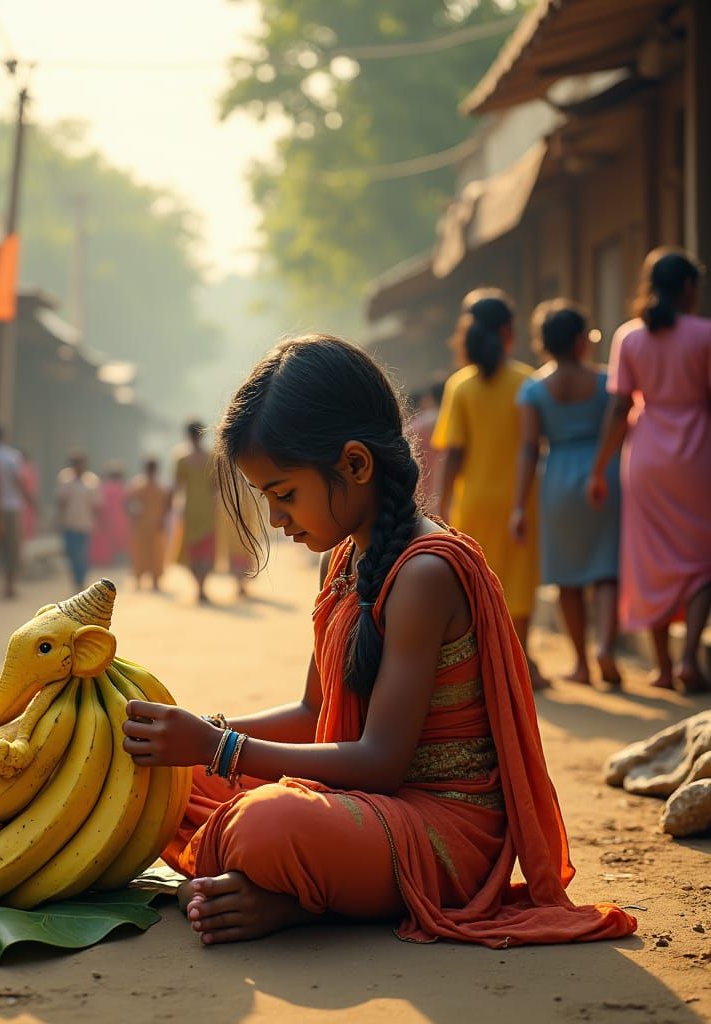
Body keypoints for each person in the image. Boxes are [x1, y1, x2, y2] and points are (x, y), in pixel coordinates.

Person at [120, 335, 636, 948]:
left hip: (442, 829)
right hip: (360, 805)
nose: (278, 519)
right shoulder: (339, 557)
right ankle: (278, 888)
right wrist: (197, 737)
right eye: (268, 500)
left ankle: (297, 903)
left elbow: (381, 762)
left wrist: (220, 747)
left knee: (266, 825)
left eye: (285, 494)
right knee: (166, 781)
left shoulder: (425, 573)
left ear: (357, 465)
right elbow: (314, 714)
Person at [589, 248, 711, 693]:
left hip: (644, 458)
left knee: (650, 559)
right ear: (687, 288)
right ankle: (689, 658)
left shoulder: (629, 336)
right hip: (698, 455)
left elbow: (619, 406)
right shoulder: (705, 334)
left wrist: (598, 469)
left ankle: (661, 666)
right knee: (701, 561)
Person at [433, 290, 546, 689]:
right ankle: (521, 660)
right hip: (518, 499)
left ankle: (488, 664)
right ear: (508, 331)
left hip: (473, 502)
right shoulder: (528, 382)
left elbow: (455, 455)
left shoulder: (459, 386)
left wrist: (442, 507)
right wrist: (518, 502)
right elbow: (533, 447)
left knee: (479, 584)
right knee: (518, 582)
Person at [512, 302, 622, 687]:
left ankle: (581, 664)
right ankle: (606, 646)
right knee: (607, 567)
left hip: (556, 475)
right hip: (604, 472)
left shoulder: (534, 389)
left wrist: (518, 506)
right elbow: (621, 423)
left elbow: (528, 447)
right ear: (580, 340)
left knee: (567, 576)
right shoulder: (606, 380)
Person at [0, 424, 35, 599]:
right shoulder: (11, 456)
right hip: (11, 507)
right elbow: (19, 482)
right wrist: (31, 502)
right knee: (12, 547)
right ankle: (9, 586)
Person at [173, 421, 218, 603]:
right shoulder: (212, 456)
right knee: (207, 552)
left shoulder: (181, 458)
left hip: (190, 510)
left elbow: (177, 487)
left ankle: (199, 586)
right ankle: (202, 586)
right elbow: (217, 486)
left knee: (192, 552)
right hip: (208, 509)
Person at [55, 451, 103, 591]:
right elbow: (60, 501)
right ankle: (75, 580)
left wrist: (97, 522)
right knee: (70, 554)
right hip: (69, 523)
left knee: (82, 554)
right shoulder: (65, 479)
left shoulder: (92, 481)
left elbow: (96, 505)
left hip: (85, 524)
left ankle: (80, 581)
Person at [126, 457, 171, 590]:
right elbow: (129, 504)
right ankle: (140, 579)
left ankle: (155, 580)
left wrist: (163, 520)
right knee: (141, 553)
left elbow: (167, 506)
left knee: (156, 554)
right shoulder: (139, 486)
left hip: (154, 526)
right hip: (142, 525)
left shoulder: (160, 486)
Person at [408, 378, 447, 515]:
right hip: (449, 495)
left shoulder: (418, 425)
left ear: (430, 397)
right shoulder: (451, 422)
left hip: (422, 494)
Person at [90, 462, 131, 568]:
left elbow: (98, 506)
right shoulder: (124, 489)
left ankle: (107, 561)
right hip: (121, 521)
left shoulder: (103, 489)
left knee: (106, 544)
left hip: (105, 521)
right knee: (120, 543)